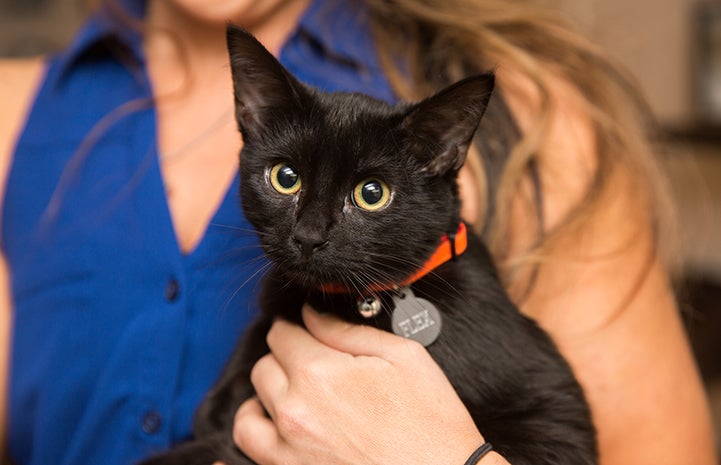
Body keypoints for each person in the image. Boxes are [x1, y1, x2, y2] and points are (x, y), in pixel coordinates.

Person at [0, 0, 716, 464]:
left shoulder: (535, 114)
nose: (310, 233)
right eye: (284, 180)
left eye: (367, 194)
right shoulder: (15, 111)